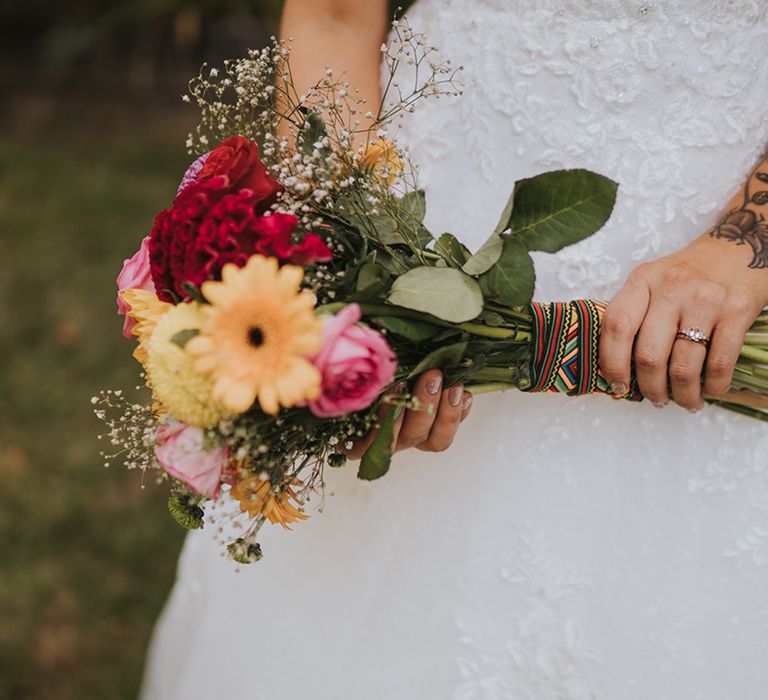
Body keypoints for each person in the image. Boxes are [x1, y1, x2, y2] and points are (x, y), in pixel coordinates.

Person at [141, 1, 768, 697]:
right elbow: (335, 16)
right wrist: (350, 269)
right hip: (434, 194)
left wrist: (743, 249)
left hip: (718, 234)